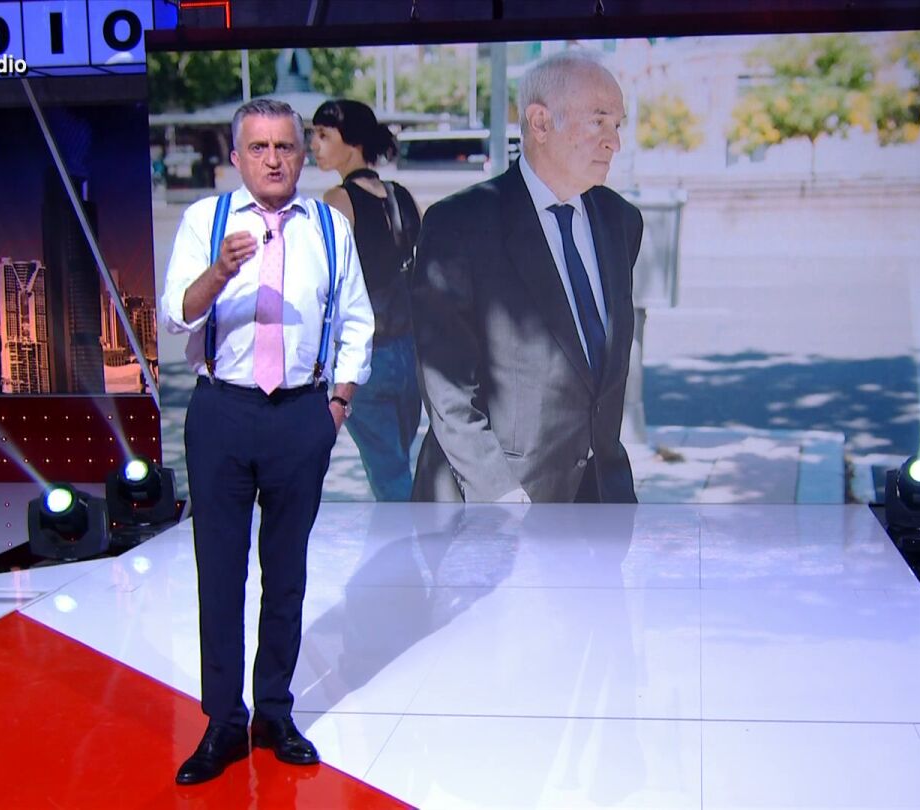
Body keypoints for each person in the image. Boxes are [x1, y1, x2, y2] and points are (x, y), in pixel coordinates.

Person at [159, 98, 373, 785]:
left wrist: (337, 404)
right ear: (236, 157)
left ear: (302, 156)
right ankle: (223, 721)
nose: (273, 159)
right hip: (222, 412)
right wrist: (220, 271)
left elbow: (358, 321)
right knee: (220, 575)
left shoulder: (330, 227)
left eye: (285, 146)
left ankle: (274, 712)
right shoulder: (206, 221)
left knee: (286, 575)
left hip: (301, 415)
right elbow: (176, 313)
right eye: (259, 147)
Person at [410, 50, 643, 504]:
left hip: (601, 500)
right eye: (599, 122)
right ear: (540, 123)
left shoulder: (621, 221)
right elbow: (447, 387)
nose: (614, 142)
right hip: (497, 500)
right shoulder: (460, 224)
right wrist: (498, 492)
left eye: (617, 125)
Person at [311, 99, 423, 502]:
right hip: (411, 354)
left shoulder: (338, 199)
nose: (314, 145)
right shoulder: (402, 195)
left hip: (368, 355)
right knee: (398, 467)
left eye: (323, 135)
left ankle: (413, 542)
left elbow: (326, 282)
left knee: (390, 478)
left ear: (353, 141)